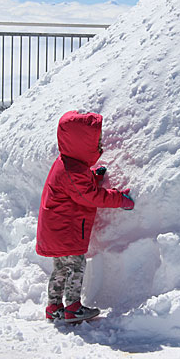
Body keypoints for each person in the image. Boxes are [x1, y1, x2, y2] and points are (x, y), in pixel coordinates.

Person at [36, 110, 135, 323]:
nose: (99, 145)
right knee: (75, 267)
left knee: (61, 269)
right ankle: (72, 307)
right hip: (66, 232)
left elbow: (79, 188)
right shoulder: (73, 171)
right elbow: (90, 197)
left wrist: (93, 177)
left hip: (57, 230)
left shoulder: (68, 164)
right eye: (95, 141)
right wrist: (119, 199)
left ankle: (54, 306)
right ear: (81, 143)